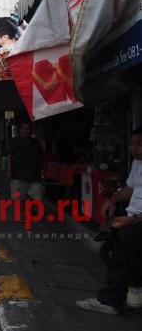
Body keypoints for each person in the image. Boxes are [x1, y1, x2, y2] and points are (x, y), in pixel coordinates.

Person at [76, 127, 142, 314]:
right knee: (119, 246)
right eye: (133, 144)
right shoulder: (138, 164)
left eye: (140, 144)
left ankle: (133, 286)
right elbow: (129, 188)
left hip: (137, 220)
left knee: (126, 241)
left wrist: (133, 219)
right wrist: (112, 199)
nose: (134, 148)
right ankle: (114, 298)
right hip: (132, 217)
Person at [7, 120, 44, 207]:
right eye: (25, 129)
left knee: (36, 196)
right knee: (19, 197)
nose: (27, 131)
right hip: (19, 174)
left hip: (34, 174)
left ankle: (29, 208)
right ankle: (21, 214)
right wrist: (9, 170)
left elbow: (40, 157)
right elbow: (9, 156)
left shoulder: (35, 142)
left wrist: (42, 170)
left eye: (29, 129)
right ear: (20, 130)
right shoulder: (15, 141)